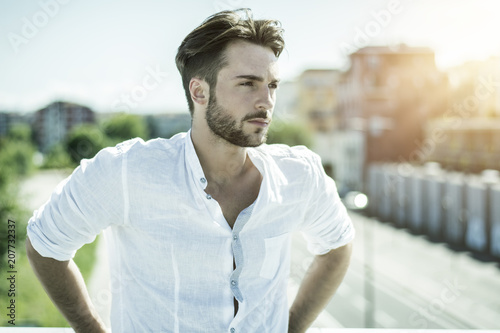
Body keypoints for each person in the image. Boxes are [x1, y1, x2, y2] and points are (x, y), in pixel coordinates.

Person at [26, 8, 354, 333]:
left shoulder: (299, 174)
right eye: (248, 84)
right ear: (199, 91)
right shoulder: (128, 171)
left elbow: (337, 246)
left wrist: (291, 327)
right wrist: (89, 327)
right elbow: (45, 242)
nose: (266, 101)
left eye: (272, 85)